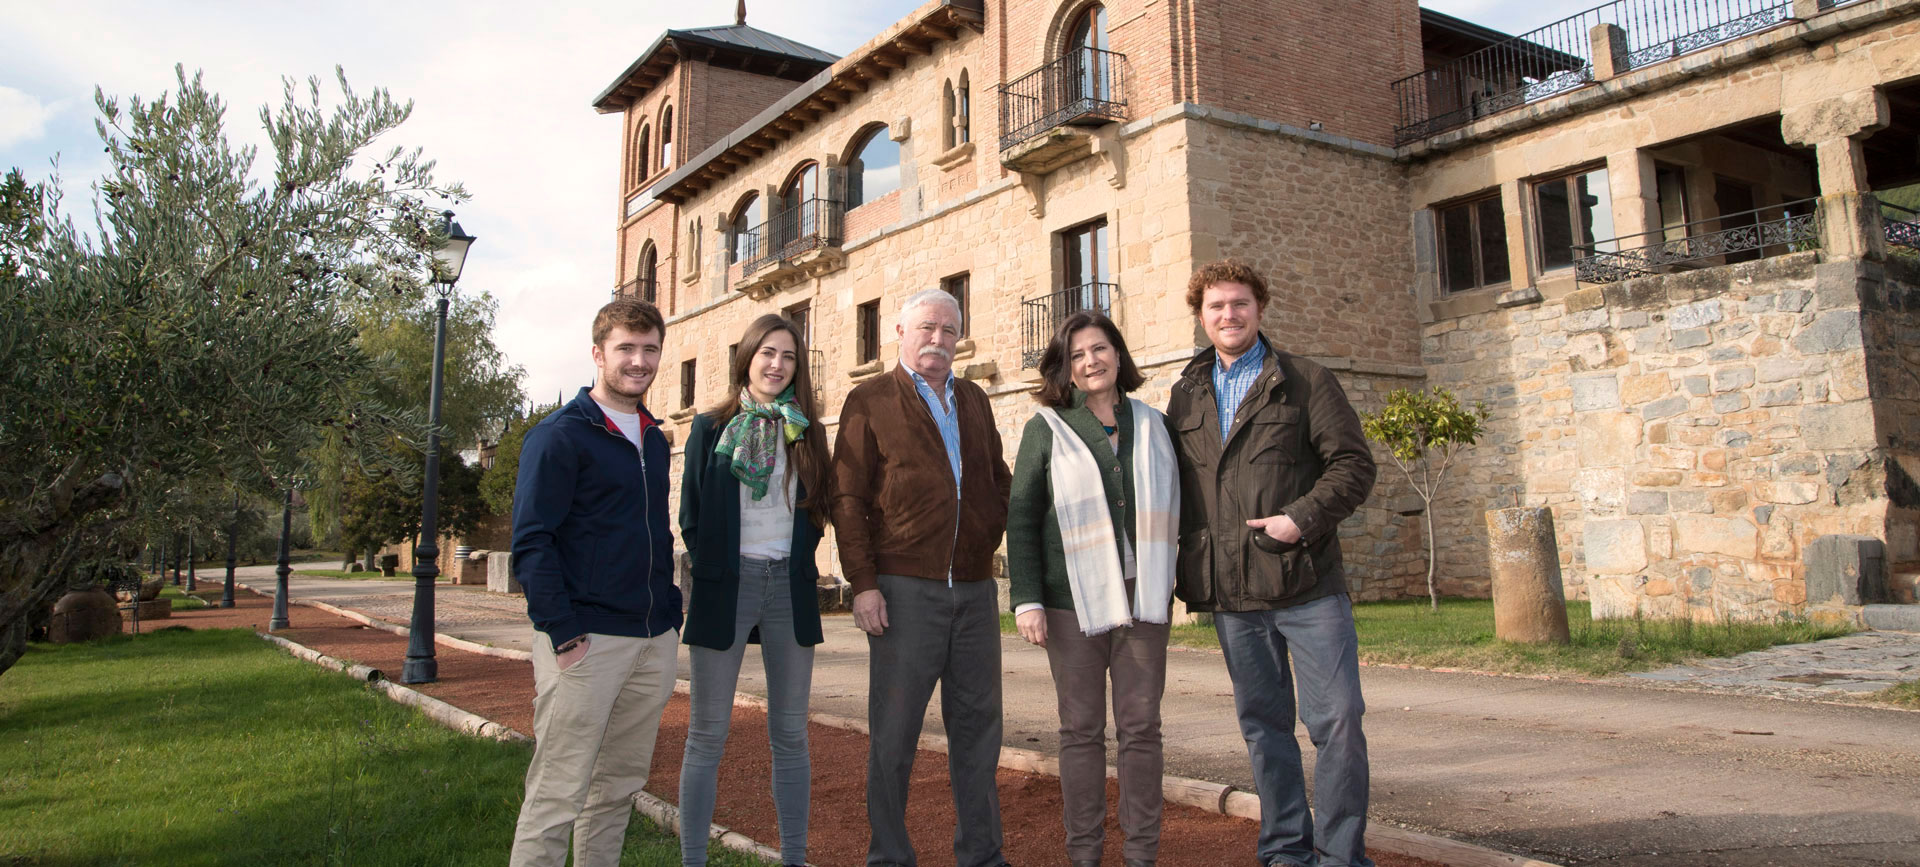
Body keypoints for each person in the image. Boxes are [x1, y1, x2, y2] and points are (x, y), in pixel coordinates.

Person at [1166, 260, 1378, 867]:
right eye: (1215, 307)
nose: (1228, 315)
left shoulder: (1306, 380)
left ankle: (1339, 856)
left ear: (1260, 308)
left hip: (1307, 584)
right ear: (1201, 316)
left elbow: (1353, 468)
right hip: (1233, 595)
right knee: (1264, 728)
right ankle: (1285, 848)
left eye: (1239, 304)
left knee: (1337, 721)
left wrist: (1300, 519)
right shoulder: (1187, 393)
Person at [831, 288, 1014, 867]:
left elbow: (995, 478)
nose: (938, 339)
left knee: (980, 733)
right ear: (900, 333)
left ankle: (982, 856)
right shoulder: (869, 400)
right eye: (927, 328)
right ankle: (888, 856)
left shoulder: (976, 400)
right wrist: (863, 583)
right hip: (903, 593)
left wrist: (987, 533)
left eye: (949, 330)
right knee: (894, 735)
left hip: (975, 591)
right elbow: (846, 498)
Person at [509, 297, 682, 867]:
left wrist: (670, 615)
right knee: (558, 792)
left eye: (649, 349)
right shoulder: (559, 436)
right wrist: (562, 633)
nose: (639, 360)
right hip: (585, 641)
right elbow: (533, 542)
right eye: (625, 349)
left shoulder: (655, 439)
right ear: (598, 354)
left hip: (652, 639)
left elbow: (651, 532)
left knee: (616, 790)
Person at [1006, 311, 1180, 867]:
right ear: (1067, 368)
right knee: (1080, 730)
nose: (1091, 361)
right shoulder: (1047, 427)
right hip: (1068, 603)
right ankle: (1084, 855)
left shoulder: (1153, 423)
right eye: (1078, 355)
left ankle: (1142, 854)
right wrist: (1027, 598)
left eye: (1100, 349)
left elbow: (1185, 504)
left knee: (1141, 727)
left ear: (1119, 355)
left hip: (1144, 596)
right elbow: (1023, 515)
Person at [677, 314, 830, 867]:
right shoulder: (709, 428)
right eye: (767, 352)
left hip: (789, 588)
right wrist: (718, 569)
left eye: (788, 356)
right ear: (747, 357)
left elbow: (819, 509)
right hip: (728, 586)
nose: (776, 364)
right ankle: (694, 858)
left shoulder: (805, 430)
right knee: (707, 734)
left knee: (790, 735)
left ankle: (794, 857)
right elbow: (691, 516)